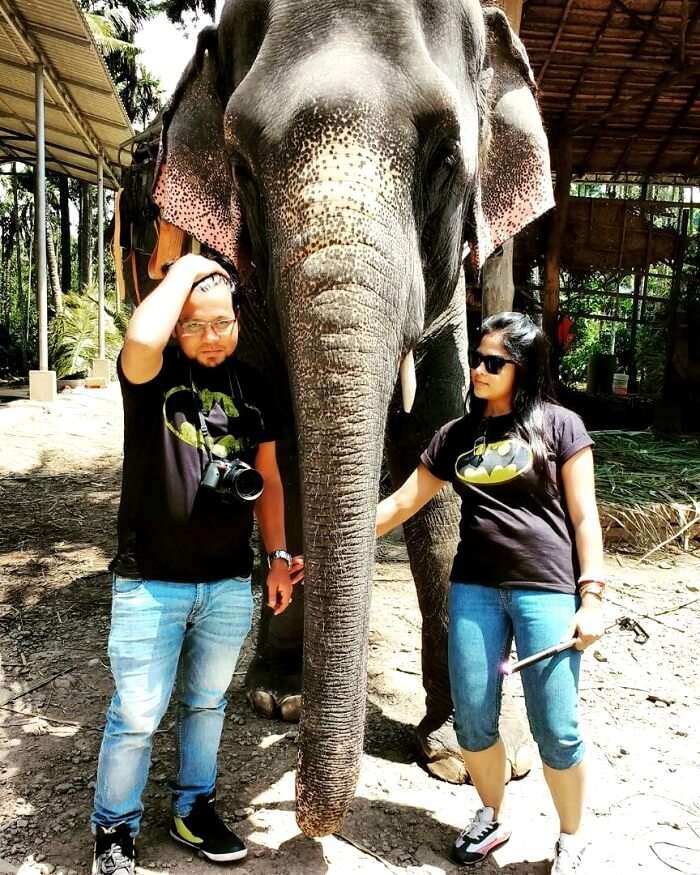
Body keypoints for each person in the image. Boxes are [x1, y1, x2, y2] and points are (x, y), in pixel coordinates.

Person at [91, 254, 303, 874]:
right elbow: (139, 335)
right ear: (176, 326)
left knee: (207, 705)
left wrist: (278, 557)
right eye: (196, 325)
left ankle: (194, 808)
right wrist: (185, 266)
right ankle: (114, 829)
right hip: (149, 581)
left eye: (223, 323)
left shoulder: (255, 385)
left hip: (228, 582)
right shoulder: (150, 374)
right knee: (135, 714)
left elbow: (267, 480)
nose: (212, 338)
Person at [376, 312, 605, 874]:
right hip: (474, 590)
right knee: (474, 719)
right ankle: (490, 815)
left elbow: (584, 516)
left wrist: (592, 595)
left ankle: (572, 837)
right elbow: (405, 502)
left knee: (555, 726)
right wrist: (336, 542)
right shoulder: (456, 435)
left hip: (544, 591)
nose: (478, 369)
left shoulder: (561, 426)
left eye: (493, 363)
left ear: (522, 370)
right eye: (477, 358)